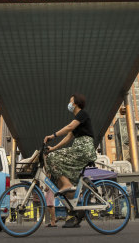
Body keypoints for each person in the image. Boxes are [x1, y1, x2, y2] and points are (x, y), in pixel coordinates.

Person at [43, 93, 97, 228]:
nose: (69, 104)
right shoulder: (78, 121)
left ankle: (67, 186)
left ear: (76, 103)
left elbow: (69, 127)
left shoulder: (82, 115)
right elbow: (68, 138)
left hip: (83, 148)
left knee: (52, 158)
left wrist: (52, 135)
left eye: (70, 101)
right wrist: (53, 148)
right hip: (79, 147)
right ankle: (72, 194)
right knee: (53, 157)